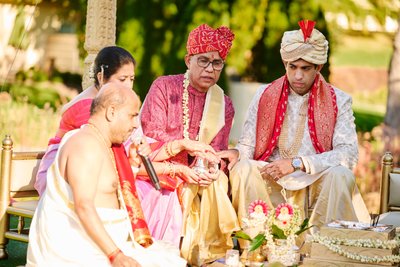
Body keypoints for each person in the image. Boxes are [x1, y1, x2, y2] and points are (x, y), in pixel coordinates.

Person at [219, 20, 370, 232]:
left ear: (318, 67)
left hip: (315, 179)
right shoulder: (264, 94)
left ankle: (321, 247)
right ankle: (257, 249)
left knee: (341, 175)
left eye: (306, 68)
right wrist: (237, 153)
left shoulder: (339, 100)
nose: (298, 75)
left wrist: (298, 163)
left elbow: (349, 154)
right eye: (293, 67)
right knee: (243, 168)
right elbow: (248, 145)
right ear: (285, 64)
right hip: (272, 178)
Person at [26, 83, 187, 267]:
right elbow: (84, 206)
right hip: (76, 248)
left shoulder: (105, 144)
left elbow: (109, 190)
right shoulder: (85, 145)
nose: (136, 124)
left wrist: (133, 165)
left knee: (170, 258)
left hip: (104, 242)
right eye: (133, 115)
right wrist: (115, 256)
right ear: (111, 112)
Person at [140, 24, 240, 266]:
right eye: (203, 60)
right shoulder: (164, 87)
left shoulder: (223, 104)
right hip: (161, 169)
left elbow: (216, 150)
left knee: (217, 181)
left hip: (200, 174)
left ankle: (211, 253)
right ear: (188, 60)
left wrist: (214, 166)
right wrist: (184, 149)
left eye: (217, 63)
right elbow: (151, 136)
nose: (210, 69)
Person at [35, 46, 136, 195]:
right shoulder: (89, 106)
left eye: (131, 79)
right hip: (62, 173)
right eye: (122, 79)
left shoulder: (111, 102)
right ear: (101, 77)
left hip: (92, 166)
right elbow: (104, 149)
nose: (128, 85)